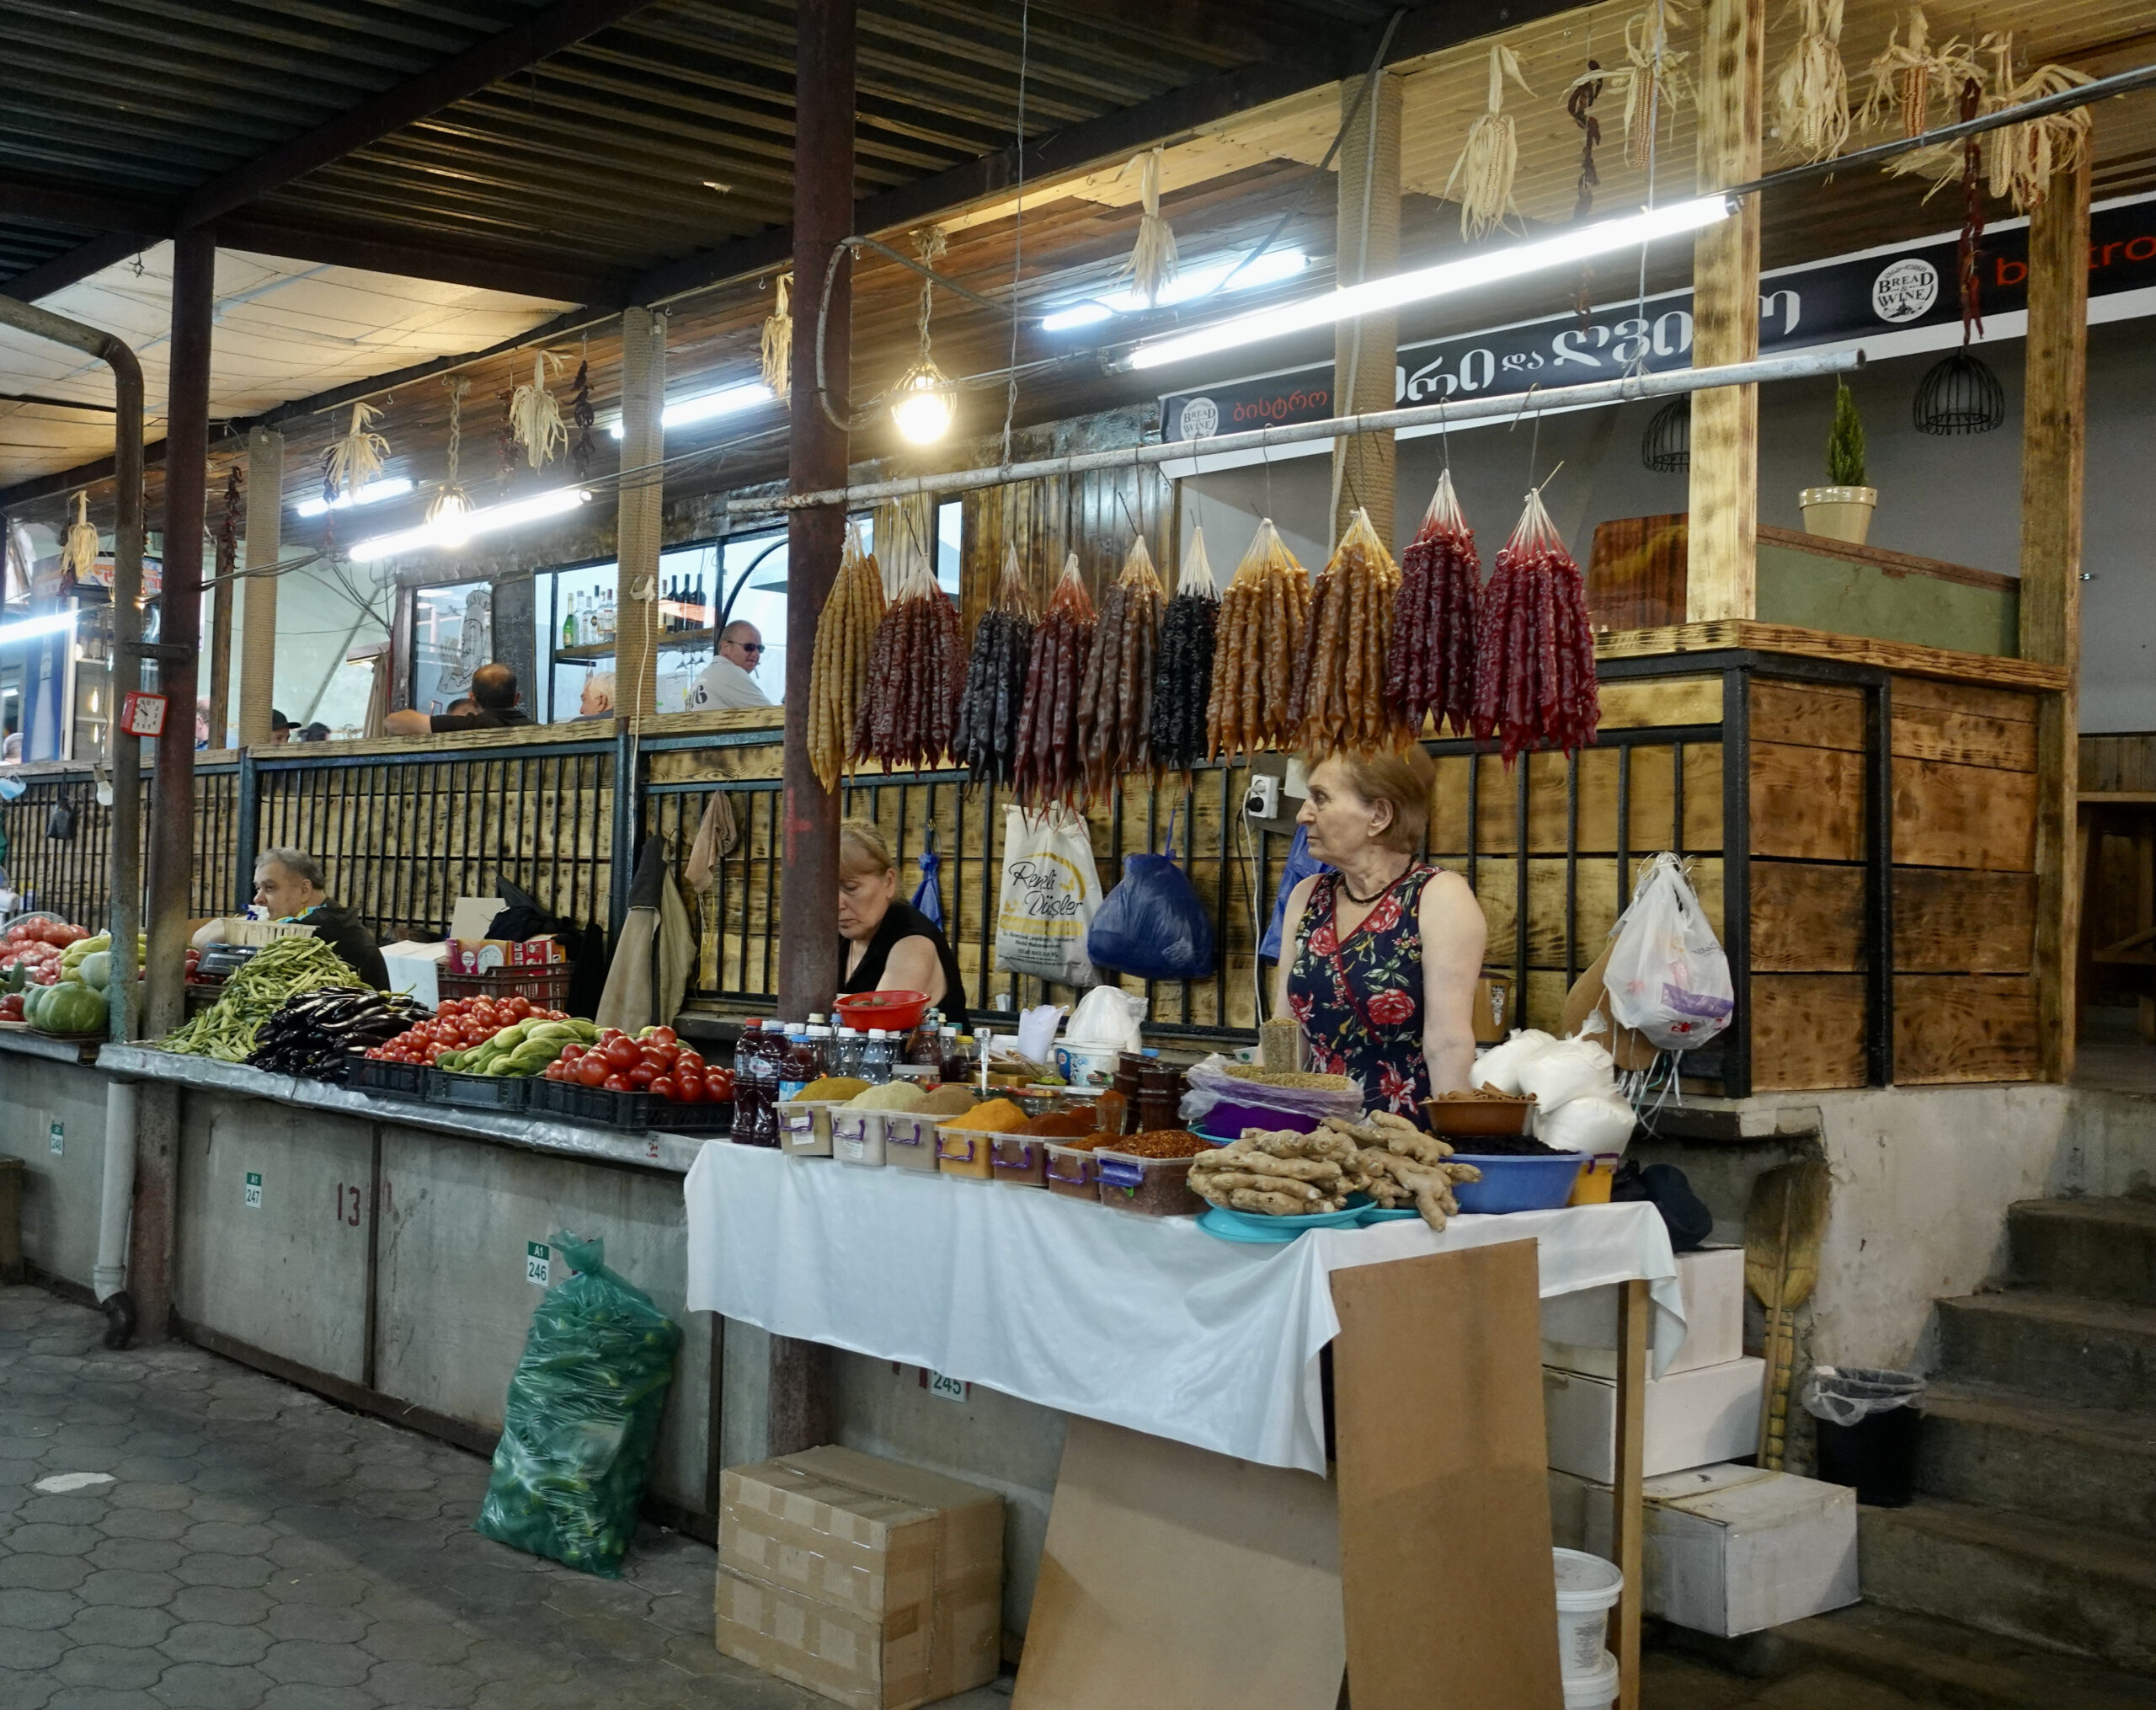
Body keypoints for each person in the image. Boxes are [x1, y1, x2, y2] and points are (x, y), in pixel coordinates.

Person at [1273, 746, 1486, 1119]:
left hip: (1403, 1137)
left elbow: (1448, 1043)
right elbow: (1285, 1028)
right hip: (1315, 1136)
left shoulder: (1437, 896)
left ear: (1379, 815)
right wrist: (1263, 1113)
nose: (1303, 814)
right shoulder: (1307, 897)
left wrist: (1455, 1144)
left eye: (1320, 798)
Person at [836, 819, 967, 1027]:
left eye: (850, 888)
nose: (837, 903)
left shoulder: (913, 944)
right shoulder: (836, 937)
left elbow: (876, 1031)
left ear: (889, 882)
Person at [251, 847, 388, 989]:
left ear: (304, 890)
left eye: (270, 888)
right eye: (257, 888)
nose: (257, 899)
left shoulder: (322, 927)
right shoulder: (331, 916)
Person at [385, 663, 534, 735]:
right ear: (516, 699)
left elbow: (393, 722)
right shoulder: (537, 730)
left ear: (473, 699)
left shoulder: (466, 726)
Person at [688, 622, 772, 711]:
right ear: (726, 647)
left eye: (760, 649)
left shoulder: (706, 674)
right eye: (749, 647)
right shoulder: (730, 673)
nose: (756, 654)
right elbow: (774, 716)